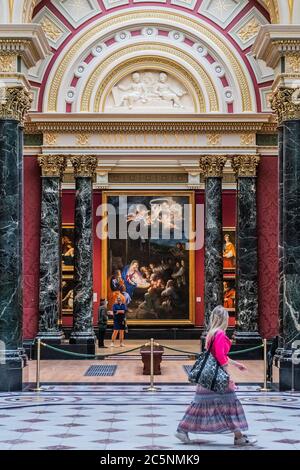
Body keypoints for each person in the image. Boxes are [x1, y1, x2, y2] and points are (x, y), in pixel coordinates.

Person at [176, 305, 257, 447]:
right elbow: (220, 357)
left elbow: (217, 355)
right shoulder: (219, 334)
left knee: (201, 404)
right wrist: (228, 376)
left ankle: (182, 430)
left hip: (208, 378)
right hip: (217, 379)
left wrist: (236, 364)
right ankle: (238, 437)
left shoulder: (211, 333)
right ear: (223, 318)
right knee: (230, 404)